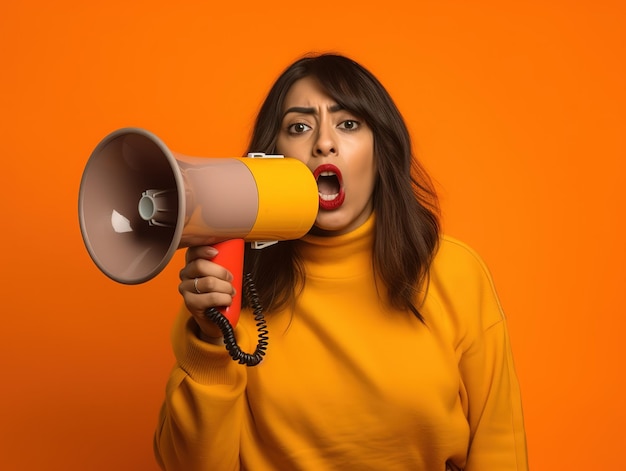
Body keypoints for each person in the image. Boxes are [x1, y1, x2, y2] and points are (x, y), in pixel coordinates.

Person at [153, 53, 528, 471]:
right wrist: (211, 342)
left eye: (348, 123)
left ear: (380, 149)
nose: (323, 142)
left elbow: (499, 445)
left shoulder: (454, 272)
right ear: (272, 157)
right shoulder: (233, 287)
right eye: (299, 127)